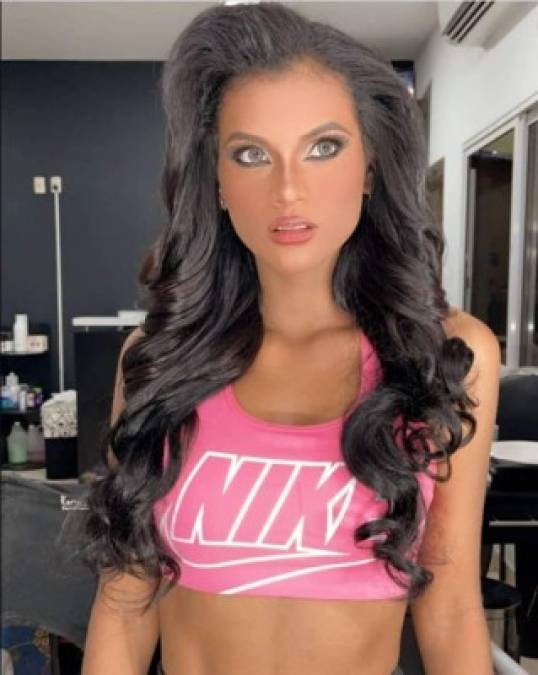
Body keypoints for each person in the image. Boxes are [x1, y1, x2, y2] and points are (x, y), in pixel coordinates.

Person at [79, 3, 500, 674]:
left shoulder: (444, 357)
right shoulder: (161, 362)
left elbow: (448, 607)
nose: (288, 189)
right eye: (251, 154)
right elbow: (126, 600)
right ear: (217, 182)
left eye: (323, 147)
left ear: (370, 167)